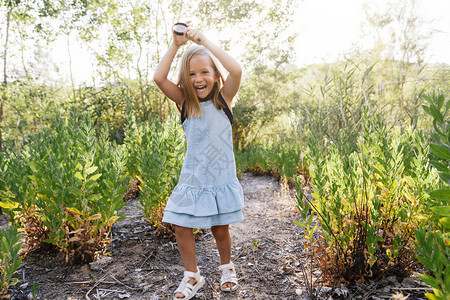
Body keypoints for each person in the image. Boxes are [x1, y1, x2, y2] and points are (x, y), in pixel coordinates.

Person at [153, 22, 244, 299]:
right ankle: (192, 276)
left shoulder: (224, 100)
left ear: (216, 75)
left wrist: (204, 42)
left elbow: (237, 70)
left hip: (219, 178)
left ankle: (226, 267)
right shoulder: (185, 102)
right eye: (192, 74)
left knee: (219, 229)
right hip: (192, 179)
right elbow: (159, 78)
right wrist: (176, 45)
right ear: (185, 79)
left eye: (205, 72)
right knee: (181, 225)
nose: (198, 78)